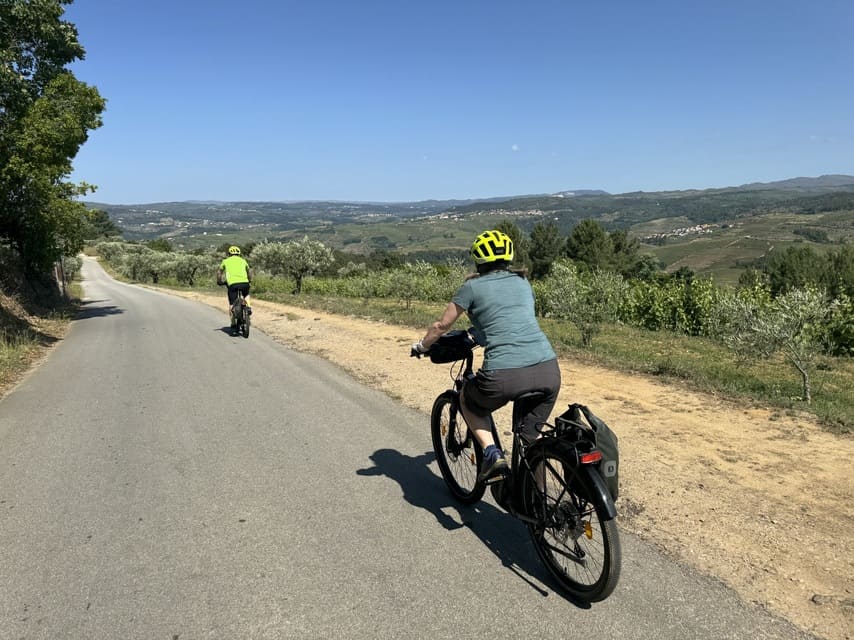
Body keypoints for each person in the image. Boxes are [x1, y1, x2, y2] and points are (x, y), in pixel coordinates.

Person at [412, 229, 561, 482]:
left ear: (478, 261)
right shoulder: (523, 282)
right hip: (549, 370)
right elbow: (509, 319)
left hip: (504, 376)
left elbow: (441, 326)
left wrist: (422, 347)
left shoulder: (471, 287)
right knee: (530, 440)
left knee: (467, 400)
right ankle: (535, 502)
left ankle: (492, 454)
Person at [217, 245, 253, 334]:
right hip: (244, 283)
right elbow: (249, 272)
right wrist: (249, 280)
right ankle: (248, 307)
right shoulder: (243, 261)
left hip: (232, 284)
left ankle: (233, 322)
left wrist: (219, 281)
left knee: (232, 303)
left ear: (229, 254)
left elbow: (219, 272)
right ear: (239, 253)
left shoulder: (225, 261)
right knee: (246, 294)